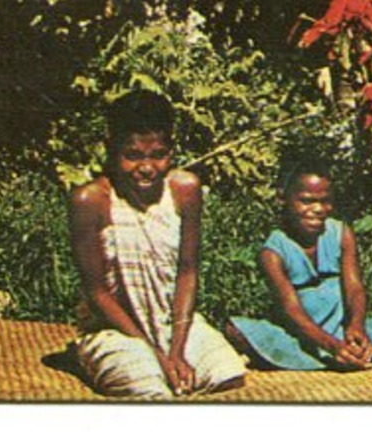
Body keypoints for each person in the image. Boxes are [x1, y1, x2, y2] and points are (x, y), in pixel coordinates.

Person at [67, 90, 246, 398]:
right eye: (133, 155)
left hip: (171, 323)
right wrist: (156, 355)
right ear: (110, 150)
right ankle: (99, 358)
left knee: (226, 373)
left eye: (158, 154)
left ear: (171, 151)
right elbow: (97, 293)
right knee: (147, 388)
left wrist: (175, 349)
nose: (147, 167)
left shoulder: (184, 190)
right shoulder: (91, 201)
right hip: (116, 330)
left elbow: (187, 272)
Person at [225, 155, 372, 370]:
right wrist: (331, 346)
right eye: (307, 201)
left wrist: (356, 327)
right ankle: (337, 356)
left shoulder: (341, 233)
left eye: (324, 201)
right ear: (283, 199)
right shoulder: (273, 252)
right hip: (301, 337)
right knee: (235, 329)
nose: (318, 209)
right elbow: (291, 310)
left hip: (342, 329)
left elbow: (354, 287)